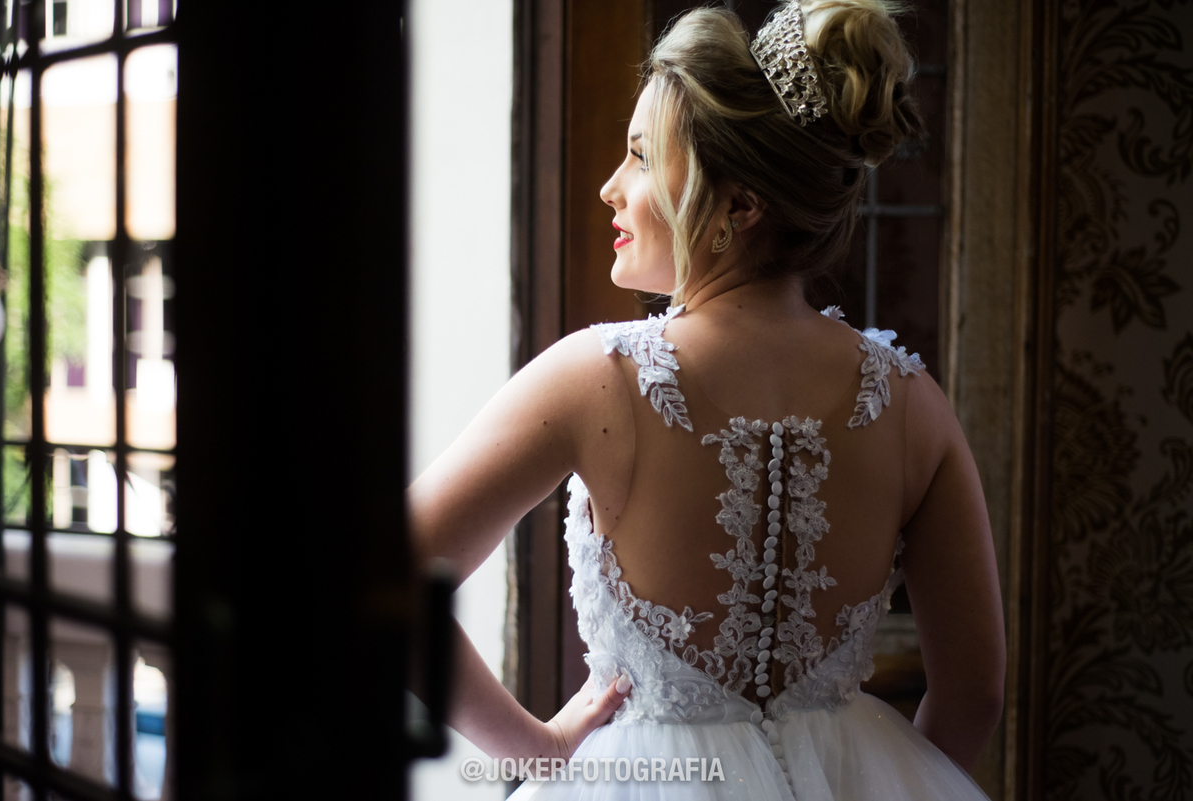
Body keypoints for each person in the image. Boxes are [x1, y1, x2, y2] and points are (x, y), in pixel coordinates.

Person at [409, 0, 1005, 798]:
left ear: (739, 206)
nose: (609, 188)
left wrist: (539, 749)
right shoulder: (911, 405)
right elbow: (975, 695)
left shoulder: (599, 378)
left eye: (640, 157)